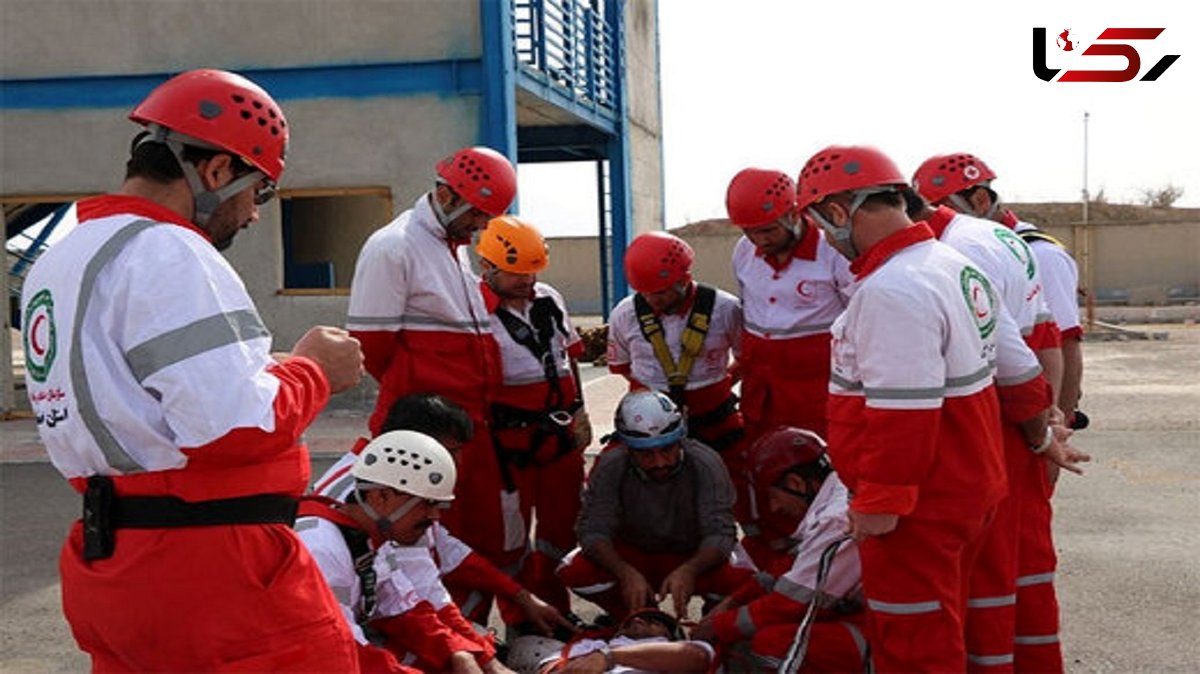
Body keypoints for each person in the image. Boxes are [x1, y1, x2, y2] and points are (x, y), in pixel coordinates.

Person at [18, 69, 363, 671]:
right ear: (217, 172)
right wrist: (314, 370)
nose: (253, 215)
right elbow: (230, 428)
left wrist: (263, 371)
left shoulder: (64, 259)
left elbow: (140, 399)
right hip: (215, 572)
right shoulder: (170, 250)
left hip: (115, 564)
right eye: (259, 193)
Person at [795, 144, 1016, 671]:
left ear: (838, 211)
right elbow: (1012, 360)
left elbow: (903, 415)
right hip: (966, 487)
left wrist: (877, 504)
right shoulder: (948, 263)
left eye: (823, 225)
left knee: (914, 646)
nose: (827, 239)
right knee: (947, 628)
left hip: (918, 511)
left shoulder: (892, 289)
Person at [913, 153, 1088, 672]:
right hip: (1021, 425)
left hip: (1011, 429)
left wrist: (1056, 427)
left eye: (935, 208)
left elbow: (1058, 345)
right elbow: (1041, 341)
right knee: (1017, 573)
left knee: (1002, 575)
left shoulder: (986, 250)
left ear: (981, 199)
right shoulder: (998, 242)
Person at [346, 145, 513, 568]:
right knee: (426, 538)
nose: (481, 227)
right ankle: (429, 626)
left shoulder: (452, 247)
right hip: (423, 431)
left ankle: (473, 628)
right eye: (476, 214)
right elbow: (373, 349)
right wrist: (420, 404)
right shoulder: (393, 247)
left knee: (481, 532)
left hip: (467, 427)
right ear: (445, 195)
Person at [310, 393, 577, 639]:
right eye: (450, 451)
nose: (459, 462)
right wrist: (474, 653)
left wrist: (520, 597)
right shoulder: (377, 499)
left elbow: (442, 557)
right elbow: (422, 594)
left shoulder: (382, 479)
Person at [724, 167, 854, 571]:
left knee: (821, 480)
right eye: (750, 232)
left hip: (818, 392)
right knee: (764, 478)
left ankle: (825, 567)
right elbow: (751, 317)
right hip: (764, 391)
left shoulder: (833, 251)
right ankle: (768, 567)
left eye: (767, 230)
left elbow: (859, 319)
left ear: (794, 213)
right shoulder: (745, 253)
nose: (760, 241)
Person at [297, 430, 511, 674]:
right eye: (427, 504)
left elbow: (401, 607)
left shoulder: (369, 538)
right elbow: (341, 650)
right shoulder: (321, 548)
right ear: (381, 497)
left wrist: (459, 653)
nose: (435, 516)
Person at [477, 216, 592, 617]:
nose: (527, 282)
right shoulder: (473, 310)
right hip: (507, 446)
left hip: (558, 437)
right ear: (486, 268)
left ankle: (556, 610)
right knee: (508, 540)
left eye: (532, 272)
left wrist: (580, 412)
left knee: (562, 530)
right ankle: (520, 617)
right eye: (516, 274)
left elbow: (568, 360)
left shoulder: (548, 299)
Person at [557, 390, 752, 620]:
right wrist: (625, 573)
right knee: (573, 570)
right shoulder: (611, 465)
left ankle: (715, 620)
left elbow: (720, 533)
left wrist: (690, 570)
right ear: (628, 449)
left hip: (692, 554)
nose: (660, 462)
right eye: (646, 454)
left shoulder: (706, 463)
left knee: (746, 579)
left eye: (667, 449)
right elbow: (593, 531)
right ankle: (636, 616)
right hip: (634, 554)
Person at [691, 427, 869, 673]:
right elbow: (791, 567)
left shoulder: (834, 521)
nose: (774, 508)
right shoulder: (839, 487)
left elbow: (794, 602)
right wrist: (735, 600)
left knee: (773, 643)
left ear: (795, 483)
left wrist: (718, 626)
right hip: (884, 617)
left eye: (773, 497)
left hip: (892, 633)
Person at [604, 232, 749, 522]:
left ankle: (752, 550)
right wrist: (649, 399)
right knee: (607, 474)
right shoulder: (626, 313)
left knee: (744, 481)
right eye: (643, 293)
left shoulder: (725, 309)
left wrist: (716, 387)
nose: (650, 301)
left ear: (684, 279)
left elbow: (746, 358)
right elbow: (620, 366)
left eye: (658, 293)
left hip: (714, 414)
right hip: (646, 417)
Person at [507, 608, 713, 674]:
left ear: (670, 636)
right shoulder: (591, 646)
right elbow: (551, 668)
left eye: (653, 621)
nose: (639, 620)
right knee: (527, 647)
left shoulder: (676, 648)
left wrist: (609, 657)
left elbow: (697, 657)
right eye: (631, 621)